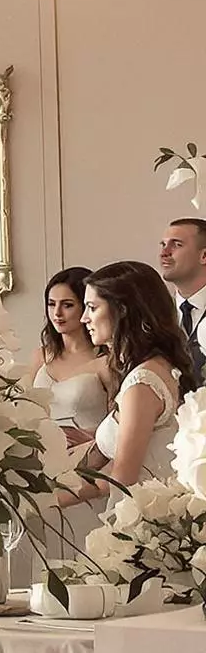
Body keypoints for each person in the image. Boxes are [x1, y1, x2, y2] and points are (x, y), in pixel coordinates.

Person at [58, 261, 197, 515]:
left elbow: (121, 481)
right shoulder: (149, 370)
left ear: (122, 310)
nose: (83, 318)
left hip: (141, 524)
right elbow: (102, 463)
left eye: (91, 307)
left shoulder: (142, 383)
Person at [25, 266, 112, 450]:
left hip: (90, 457)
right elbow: (21, 411)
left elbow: (120, 424)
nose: (57, 313)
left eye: (67, 305)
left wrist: (91, 437)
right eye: (51, 304)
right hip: (41, 457)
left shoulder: (107, 360)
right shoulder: (41, 356)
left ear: (86, 306)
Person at [155, 218, 206, 384]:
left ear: (204, 255)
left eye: (176, 244)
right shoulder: (154, 314)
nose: (164, 253)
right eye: (163, 244)